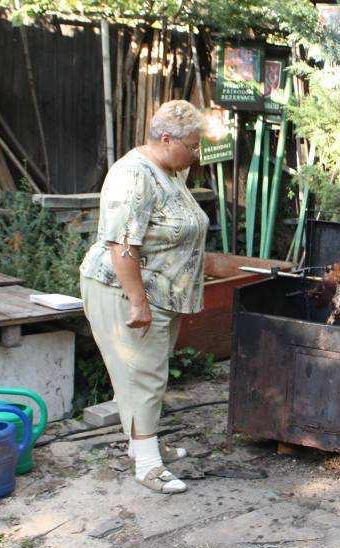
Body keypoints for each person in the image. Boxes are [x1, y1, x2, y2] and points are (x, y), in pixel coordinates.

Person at [79, 100, 208, 494]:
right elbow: (122, 247)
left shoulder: (170, 170)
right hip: (127, 291)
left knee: (145, 373)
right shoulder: (134, 176)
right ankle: (148, 466)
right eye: (192, 145)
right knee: (144, 375)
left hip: (161, 292)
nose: (196, 154)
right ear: (166, 139)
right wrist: (138, 301)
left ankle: (144, 446)